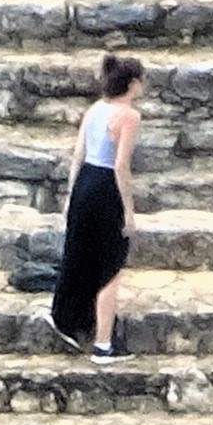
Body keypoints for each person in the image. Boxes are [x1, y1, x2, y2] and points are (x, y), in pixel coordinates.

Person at [51, 52, 144, 356]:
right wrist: (129, 211)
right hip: (106, 188)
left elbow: (78, 154)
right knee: (110, 265)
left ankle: (67, 318)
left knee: (79, 253)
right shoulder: (129, 116)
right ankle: (103, 343)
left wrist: (69, 196)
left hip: (84, 184)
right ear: (131, 85)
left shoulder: (95, 109)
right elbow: (121, 166)